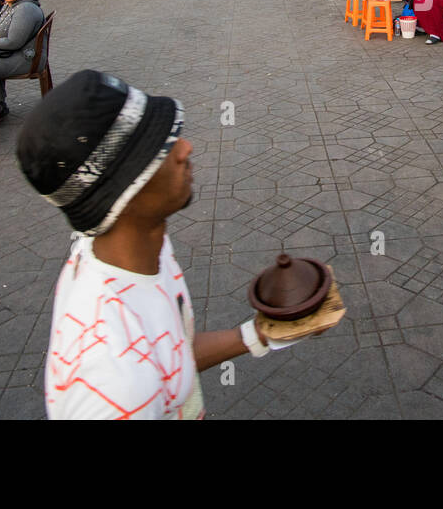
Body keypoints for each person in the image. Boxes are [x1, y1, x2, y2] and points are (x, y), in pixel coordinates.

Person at [18, 70, 319, 419]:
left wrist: (262, 333)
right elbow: (141, 374)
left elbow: (169, 355)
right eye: (157, 149)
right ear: (119, 192)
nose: (185, 148)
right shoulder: (111, 381)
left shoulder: (139, 247)